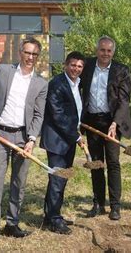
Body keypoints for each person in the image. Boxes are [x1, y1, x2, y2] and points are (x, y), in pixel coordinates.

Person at [0, 37, 48, 245]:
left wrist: (32, 140)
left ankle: (12, 223)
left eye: (34, 54)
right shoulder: (4, 71)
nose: (30, 57)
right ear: (20, 52)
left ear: (38, 56)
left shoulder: (41, 83)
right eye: (27, 52)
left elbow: (38, 115)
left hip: (23, 137)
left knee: (19, 181)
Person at [80, 36, 131, 221]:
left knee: (113, 163)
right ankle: (98, 203)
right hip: (92, 121)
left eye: (109, 51)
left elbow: (124, 100)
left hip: (112, 123)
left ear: (113, 52)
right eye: (102, 50)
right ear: (97, 50)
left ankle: (115, 206)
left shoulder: (121, 70)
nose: (105, 54)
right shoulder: (86, 66)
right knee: (96, 163)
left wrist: (115, 123)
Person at [40, 51, 86, 234]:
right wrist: (76, 136)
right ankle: (54, 220)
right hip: (57, 139)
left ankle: (51, 215)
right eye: (73, 65)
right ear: (66, 65)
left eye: (79, 66)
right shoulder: (57, 84)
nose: (76, 69)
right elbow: (58, 115)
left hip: (68, 139)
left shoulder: (77, 84)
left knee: (61, 178)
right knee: (58, 179)